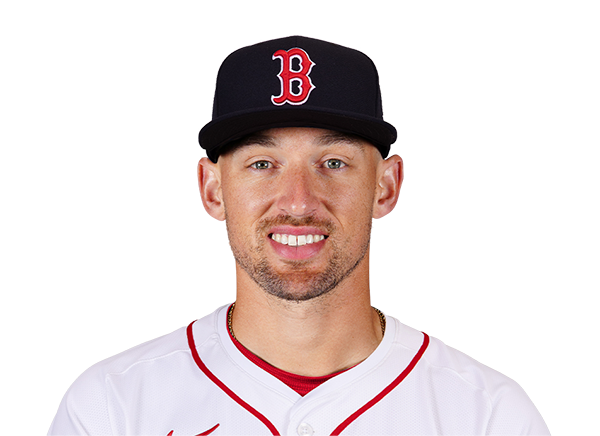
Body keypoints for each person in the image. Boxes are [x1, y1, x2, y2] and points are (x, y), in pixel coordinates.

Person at [48, 36, 550, 436]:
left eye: (333, 163)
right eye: (262, 164)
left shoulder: (487, 416)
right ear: (213, 190)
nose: (298, 202)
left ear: (385, 187)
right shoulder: (112, 407)